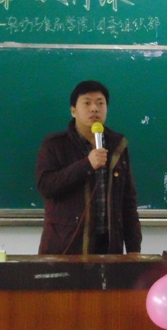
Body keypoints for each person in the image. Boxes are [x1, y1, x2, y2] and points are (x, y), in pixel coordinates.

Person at [36, 80, 142, 255]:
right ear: (73, 111)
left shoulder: (118, 145)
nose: (94, 109)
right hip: (66, 247)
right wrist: (87, 164)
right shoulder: (54, 144)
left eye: (100, 103)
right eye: (87, 103)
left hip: (109, 248)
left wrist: (134, 250)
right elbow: (46, 186)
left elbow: (128, 201)